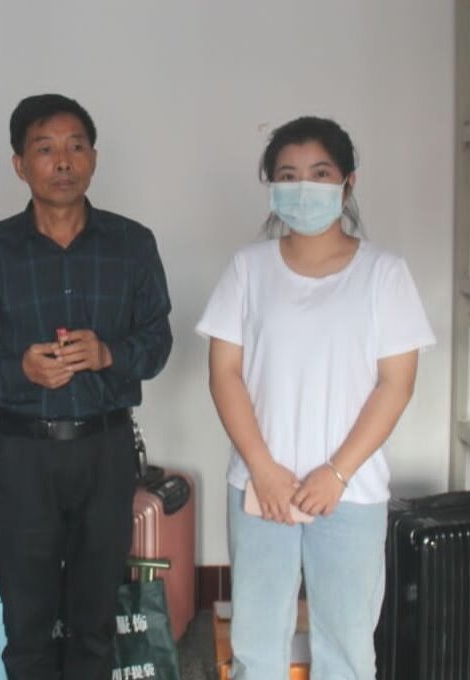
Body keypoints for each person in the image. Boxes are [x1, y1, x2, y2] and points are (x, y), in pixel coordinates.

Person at [196, 116, 436, 680]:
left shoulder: (384, 273)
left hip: (349, 490)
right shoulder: (248, 268)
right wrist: (263, 469)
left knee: (347, 647)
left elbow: (396, 384)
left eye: (319, 173)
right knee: (257, 643)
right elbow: (224, 374)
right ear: (271, 186)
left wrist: (337, 472)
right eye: (288, 175)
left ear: (348, 183)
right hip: (261, 487)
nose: (303, 187)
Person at [0, 93, 172, 679]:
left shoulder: (132, 244)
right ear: (20, 165)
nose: (63, 161)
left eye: (76, 146)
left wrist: (109, 354)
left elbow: (158, 342)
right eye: (45, 149)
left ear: (93, 158)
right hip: (23, 452)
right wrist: (20, 371)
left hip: (106, 450)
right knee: (27, 619)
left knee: (95, 618)